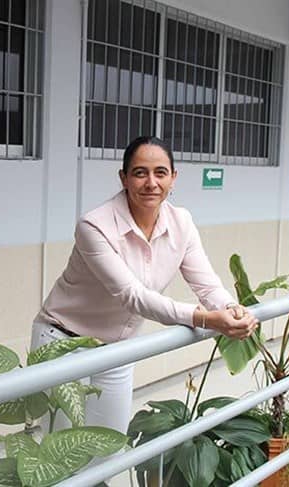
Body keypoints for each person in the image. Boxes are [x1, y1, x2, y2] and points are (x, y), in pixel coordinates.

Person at [30, 135, 258, 434]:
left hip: (118, 350)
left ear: (173, 178)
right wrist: (204, 318)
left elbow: (206, 284)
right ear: (124, 178)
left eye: (160, 172)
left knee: (108, 447)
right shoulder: (94, 225)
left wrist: (231, 308)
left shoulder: (182, 222)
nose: (151, 182)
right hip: (64, 343)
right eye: (140, 172)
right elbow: (131, 295)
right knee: (60, 453)